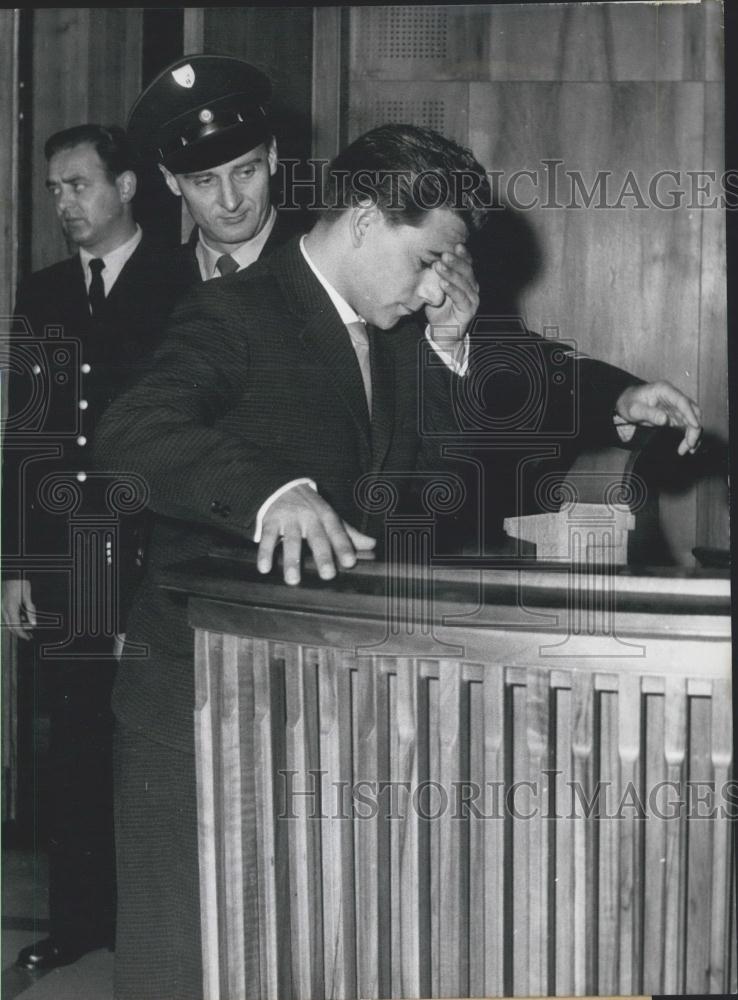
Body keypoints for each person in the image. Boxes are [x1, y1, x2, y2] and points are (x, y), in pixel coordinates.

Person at [94, 122, 701, 999]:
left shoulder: (404, 326)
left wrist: (612, 394)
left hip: (319, 704)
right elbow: (132, 432)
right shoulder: (236, 313)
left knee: (308, 952)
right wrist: (272, 493)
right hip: (196, 700)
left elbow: (504, 400)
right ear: (369, 218)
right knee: (188, 961)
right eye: (427, 260)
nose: (434, 288)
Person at [0, 124, 192, 972]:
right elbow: (27, 433)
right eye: (54, 190)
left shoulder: (182, 279)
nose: (65, 204)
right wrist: (13, 561)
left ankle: (154, 934)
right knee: (72, 746)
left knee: (150, 749)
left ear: (128, 185)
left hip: (154, 550)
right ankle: (79, 927)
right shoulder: (43, 293)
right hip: (64, 556)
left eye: (78, 184)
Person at [127, 53, 305, 281]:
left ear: (271, 156)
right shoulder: (148, 287)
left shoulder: (319, 267)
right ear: (171, 180)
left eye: (245, 172)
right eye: (205, 181)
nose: (231, 202)